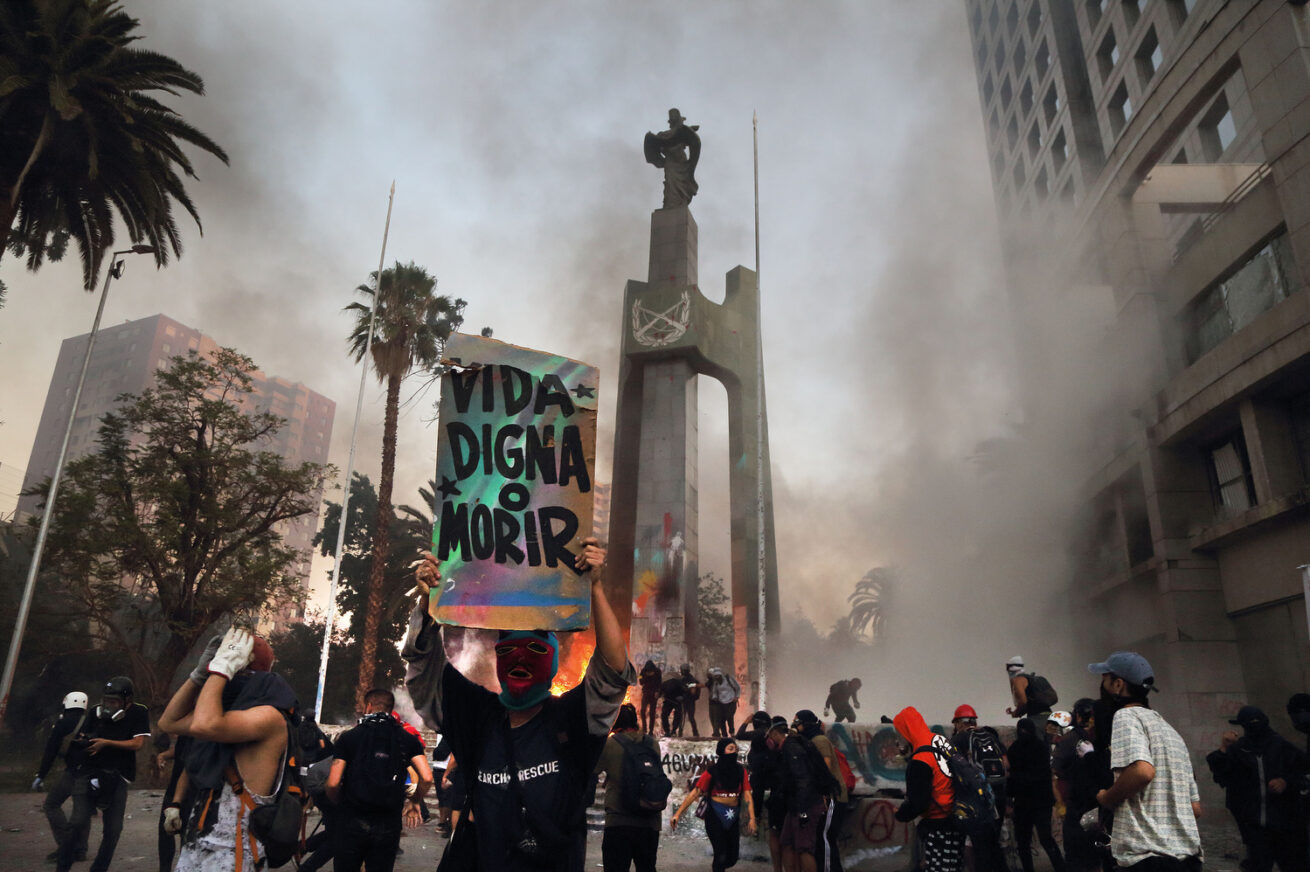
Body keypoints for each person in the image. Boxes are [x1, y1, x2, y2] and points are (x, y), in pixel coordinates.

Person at [402, 537, 635, 872]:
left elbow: (612, 673)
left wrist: (595, 587)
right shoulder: (476, 717)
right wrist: (430, 599)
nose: (520, 658)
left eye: (536, 649)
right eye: (507, 649)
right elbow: (424, 666)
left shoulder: (572, 719)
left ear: (552, 661)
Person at [158, 627, 293, 872]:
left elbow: (204, 723)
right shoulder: (231, 718)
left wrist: (222, 668)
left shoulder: (270, 717)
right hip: (197, 846)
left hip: (233, 854)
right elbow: (169, 722)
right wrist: (199, 674)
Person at [1089, 651, 1202, 872]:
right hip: (1188, 859)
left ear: (1118, 685)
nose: (1101, 687)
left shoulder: (1126, 717)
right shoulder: (1170, 731)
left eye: (1104, 680)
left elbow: (1142, 772)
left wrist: (1107, 797)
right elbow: (1195, 808)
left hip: (1148, 859)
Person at [326, 687, 432, 872]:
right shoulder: (407, 738)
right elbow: (427, 777)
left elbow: (333, 782)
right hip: (388, 823)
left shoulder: (349, 738)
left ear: (368, 707)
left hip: (352, 819)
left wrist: (339, 803)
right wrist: (414, 801)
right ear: (391, 709)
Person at [55, 676, 151, 872]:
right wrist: (85, 742)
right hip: (89, 773)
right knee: (77, 821)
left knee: (113, 829)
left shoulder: (139, 712)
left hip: (119, 776)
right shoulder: (93, 713)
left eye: (114, 701)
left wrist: (106, 743)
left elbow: (137, 744)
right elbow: (84, 736)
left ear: (127, 701)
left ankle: (99, 869)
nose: (109, 705)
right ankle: (62, 866)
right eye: (106, 700)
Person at [1206, 705, 1307, 872]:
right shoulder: (1240, 749)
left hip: (1285, 825)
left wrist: (1285, 782)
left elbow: (1303, 774)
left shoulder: (1281, 746)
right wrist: (1224, 748)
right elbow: (1221, 774)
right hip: (1255, 828)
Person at [892, 706, 964, 872]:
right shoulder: (941, 740)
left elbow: (919, 803)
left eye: (900, 732)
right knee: (953, 866)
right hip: (957, 816)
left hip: (937, 823)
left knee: (937, 867)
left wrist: (900, 813)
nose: (899, 738)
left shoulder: (920, 759)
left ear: (907, 730)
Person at [672, 736, 757, 872]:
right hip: (715, 816)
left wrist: (752, 818)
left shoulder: (741, 771)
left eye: (735, 749)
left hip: (733, 816)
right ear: (721, 751)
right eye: (730, 749)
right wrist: (677, 814)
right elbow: (695, 793)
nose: (734, 752)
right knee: (720, 855)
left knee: (732, 857)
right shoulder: (712, 772)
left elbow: (747, 795)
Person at [594, 703, 661, 872]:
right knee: (647, 867)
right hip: (650, 820)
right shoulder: (652, 743)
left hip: (619, 820)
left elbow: (592, 769)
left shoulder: (610, 744)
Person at [949, 704, 1009, 872]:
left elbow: (950, 770)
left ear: (959, 723)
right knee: (993, 844)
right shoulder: (991, 737)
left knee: (980, 847)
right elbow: (1006, 764)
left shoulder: (958, 740)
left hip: (976, 800)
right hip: (998, 796)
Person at [773, 719, 838, 872]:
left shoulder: (791, 747)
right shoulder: (795, 743)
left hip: (805, 804)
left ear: (775, 734)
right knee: (787, 842)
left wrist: (802, 811)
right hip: (797, 804)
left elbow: (803, 779)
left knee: (804, 848)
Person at [35, 691, 90, 863]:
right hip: (91, 773)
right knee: (82, 810)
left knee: (52, 804)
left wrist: (41, 775)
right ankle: (80, 850)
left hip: (73, 772)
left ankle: (66, 846)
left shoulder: (63, 723)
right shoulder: (92, 721)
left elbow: (50, 751)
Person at [1008, 717, 1066, 872]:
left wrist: (1010, 799)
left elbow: (1013, 777)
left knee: (1028, 841)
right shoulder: (1040, 748)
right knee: (1042, 839)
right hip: (1038, 803)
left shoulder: (1016, 749)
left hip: (1026, 803)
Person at [794, 710, 849, 872]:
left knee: (825, 839)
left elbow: (825, 768)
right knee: (822, 839)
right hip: (826, 796)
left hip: (831, 797)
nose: (796, 726)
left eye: (798, 722)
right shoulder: (811, 740)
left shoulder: (819, 740)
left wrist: (822, 794)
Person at [1052, 699, 1103, 872]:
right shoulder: (1104, 736)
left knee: (1076, 856)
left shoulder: (1069, 739)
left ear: (1077, 715)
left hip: (1078, 802)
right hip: (1103, 800)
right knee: (1099, 854)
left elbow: (1056, 768)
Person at [643, 108, 701, 209]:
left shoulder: (681, 132)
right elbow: (661, 143)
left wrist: (690, 131)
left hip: (681, 161)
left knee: (682, 184)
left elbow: (691, 140)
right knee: (670, 183)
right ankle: (671, 204)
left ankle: (680, 202)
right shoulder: (664, 134)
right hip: (670, 162)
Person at [1005, 655, 1059, 733]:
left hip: (1036, 720)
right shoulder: (1033, 680)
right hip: (1050, 718)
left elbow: (1023, 702)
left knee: (1036, 744)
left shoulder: (1018, 680)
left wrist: (1015, 713)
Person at [708, 667, 741, 737]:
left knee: (730, 717)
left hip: (731, 702)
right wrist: (715, 697)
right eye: (715, 676)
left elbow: (738, 687)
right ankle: (724, 735)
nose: (717, 677)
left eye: (718, 676)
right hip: (721, 703)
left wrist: (736, 697)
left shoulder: (728, 679)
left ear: (721, 675)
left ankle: (732, 733)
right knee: (721, 720)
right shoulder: (716, 683)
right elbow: (714, 692)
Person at [660, 671, 688, 737]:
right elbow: (660, 692)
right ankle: (668, 731)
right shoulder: (665, 684)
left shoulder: (680, 683)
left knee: (677, 716)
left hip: (676, 702)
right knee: (665, 715)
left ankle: (673, 730)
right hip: (668, 701)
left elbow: (686, 691)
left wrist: (682, 697)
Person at [638, 660, 662, 734]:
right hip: (646, 693)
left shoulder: (657, 672)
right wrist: (646, 676)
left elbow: (660, 683)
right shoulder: (643, 671)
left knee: (652, 713)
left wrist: (658, 692)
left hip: (654, 694)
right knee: (642, 711)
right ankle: (644, 729)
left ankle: (651, 731)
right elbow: (640, 681)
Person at [680, 663, 703, 737]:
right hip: (688, 701)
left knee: (685, 717)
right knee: (689, 717)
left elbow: (693, 690)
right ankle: (694, 732)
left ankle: (683, 732)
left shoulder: (688, 680)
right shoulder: (692, 679)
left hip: (687, 701)